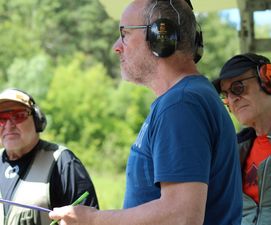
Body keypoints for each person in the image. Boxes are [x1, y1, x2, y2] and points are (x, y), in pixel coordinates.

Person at [49, 0, 242, 224]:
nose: (117, 46)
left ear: (160, 37)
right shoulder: (187, 98)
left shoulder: (180, 104)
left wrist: (93, 219)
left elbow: (182, 216)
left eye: (125, 34)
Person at [212, 52, 271, 224]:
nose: (232, 99)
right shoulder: (234, 149)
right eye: (225, 94)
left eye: (238, 87)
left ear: (270, 80)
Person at [0, 88, 99, 225]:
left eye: (18, 116)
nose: (9, 126)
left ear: (37, 120)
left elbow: (89, 220)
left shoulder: (63, 162)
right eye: (1, 119)